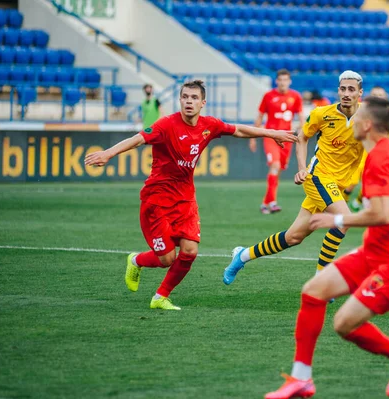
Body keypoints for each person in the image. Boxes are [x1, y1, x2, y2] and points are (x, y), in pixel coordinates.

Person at [264, 96, 389, 399]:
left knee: (343, 324)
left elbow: (381, 215)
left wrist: (335, 218)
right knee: (313, 291)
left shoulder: (380, 159)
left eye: (357, 118)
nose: (350, 121)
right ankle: (301, 378)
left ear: (367, 125)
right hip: (376, 251)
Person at [84, 80, 297, 311]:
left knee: (189, 251)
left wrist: (271, 132)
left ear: (202, 103)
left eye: (194, 98)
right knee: (166, 259)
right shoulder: (166, 125)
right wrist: (109, 153)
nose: (189, 101)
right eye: (185, 97)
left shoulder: (209, 125)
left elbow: (239, 130)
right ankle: (135, 260)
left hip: (185, 199)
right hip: (157, 199)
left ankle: (160, 297)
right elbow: (138, 139)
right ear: (180, 100)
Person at [223, 71, 365, 285]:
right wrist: (301, 168)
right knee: (344, 219)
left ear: (360, 93)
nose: (346, 93)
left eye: (351, 89)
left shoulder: (371, 116)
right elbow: (302, 136)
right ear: (338, 90)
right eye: (343, 89)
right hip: (318, 177)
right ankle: (322, 279)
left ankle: (242, 255)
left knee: (293, 237)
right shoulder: (321, 114)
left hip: (337, 185)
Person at [250, 69, 305, 214]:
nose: (283, 83)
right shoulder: (268, 96)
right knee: (275, 165)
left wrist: (303, 132)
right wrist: (253, 138)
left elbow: (301, 117)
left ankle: (265, 203)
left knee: (278, 170)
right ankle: (273, 202)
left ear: (289, 81)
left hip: (287, 137)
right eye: (280, 80)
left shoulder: (295, 96)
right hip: (271, 136)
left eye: (285, 80)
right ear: (276, 81)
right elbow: (260, 116)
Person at [343, 86, 389, 212]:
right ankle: (343, 204)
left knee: (370, 178)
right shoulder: (361, 109)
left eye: (380, 94)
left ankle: (359, 202)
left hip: (375, 150)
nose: (377, 97)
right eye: (375, 94)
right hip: (360, 149)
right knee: (352, 179)